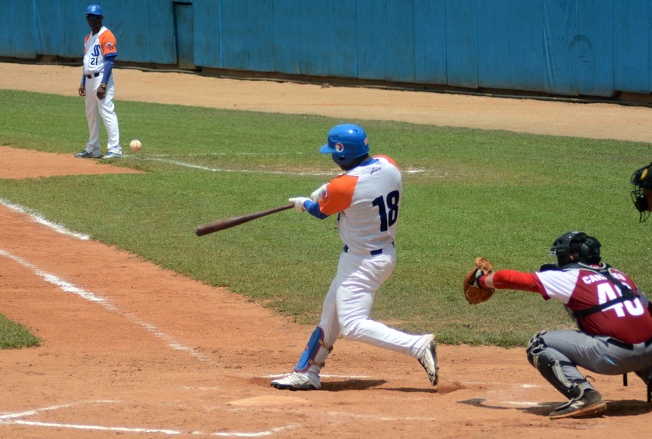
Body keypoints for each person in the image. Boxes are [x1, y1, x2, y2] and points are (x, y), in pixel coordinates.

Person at [271, 123, 438, 390]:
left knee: (352, 324)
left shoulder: (342, 187)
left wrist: (305, 203)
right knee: (331, 316)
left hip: (364, 262)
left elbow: (320, 211)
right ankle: (307, 372)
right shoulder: (388, 164)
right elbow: (354, 183)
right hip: (374, 255)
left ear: (340, 154)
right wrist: (326, 190)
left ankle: (416, 345)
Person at [472, 231, 652, 419]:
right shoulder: (620, 275)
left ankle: (584, 396)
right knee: (637, 329)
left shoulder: (570, 277)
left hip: (613, 358)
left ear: (572, 256)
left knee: (539, 343)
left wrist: (482, 280)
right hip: (649, 354)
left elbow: (509, 278)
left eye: (562, 254)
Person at [74, 4, 122, 159]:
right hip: (88, 79)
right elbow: (87, 61)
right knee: (91, 114)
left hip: (101, 77)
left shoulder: (106, 35)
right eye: (89, 16)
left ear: (100, 18)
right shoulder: (87, 38)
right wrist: (82, 81)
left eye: (94, 17)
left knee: (106, 111)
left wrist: (103, 84)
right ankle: (93, 148)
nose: (91, 19)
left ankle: (115, 149)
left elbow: (109, 61)